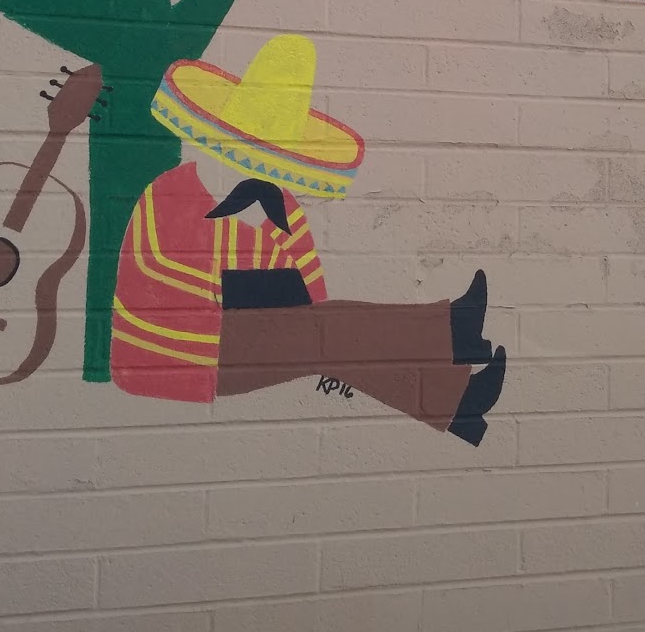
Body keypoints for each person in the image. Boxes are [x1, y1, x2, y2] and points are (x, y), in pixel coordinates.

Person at [110, 34, 506, 445]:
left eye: (270, 161)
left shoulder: (277, 206)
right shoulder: (171, 194)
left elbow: (313, 300)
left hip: (251, 344)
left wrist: (273, 298)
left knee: (335, 334)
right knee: (331, 333)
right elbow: (170, 297)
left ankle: (460, 390)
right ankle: (454, 349)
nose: (256, 172)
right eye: (244, 157)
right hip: (174, 358)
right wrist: (265, 297)